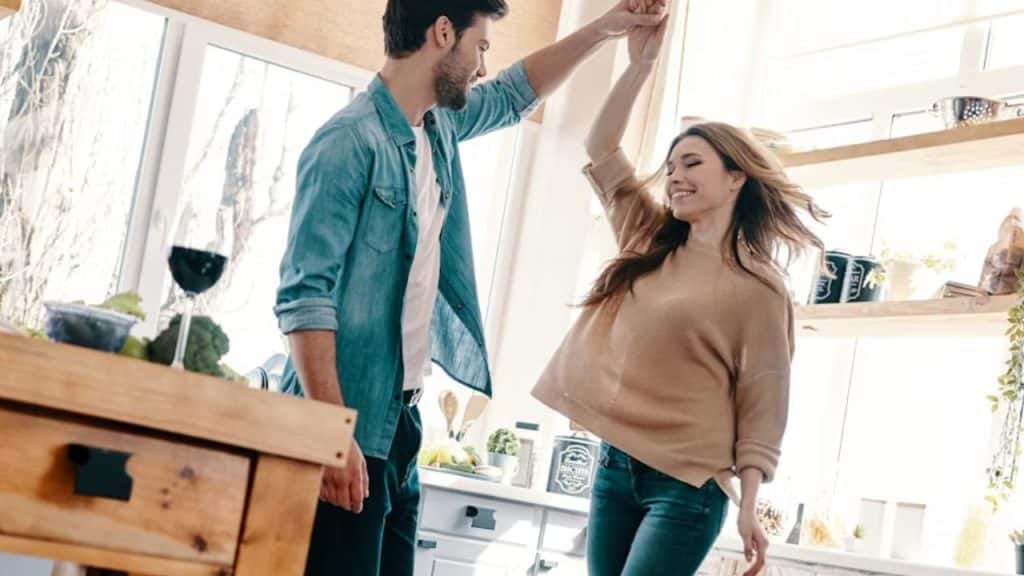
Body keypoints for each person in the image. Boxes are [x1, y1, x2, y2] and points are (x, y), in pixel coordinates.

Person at [273, 1, 668, 574]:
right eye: (480, 46)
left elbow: (514, 92)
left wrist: (609, 27)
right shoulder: (347, 143)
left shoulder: (437, 129)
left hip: (399, 424)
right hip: (343, 425)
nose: (483, 66)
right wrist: (330, 432)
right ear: (442, 33)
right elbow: (304, 300)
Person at [531, 3, 830, 575]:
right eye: (670, 167)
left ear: (737, 176)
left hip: (686, 486)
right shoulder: (647, 238)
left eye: (692, 163)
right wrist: (641, 64)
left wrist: (749, 506)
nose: (675, 177)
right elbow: (601, 146)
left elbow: (764, 403)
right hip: (614, 466)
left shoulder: (759, 288)